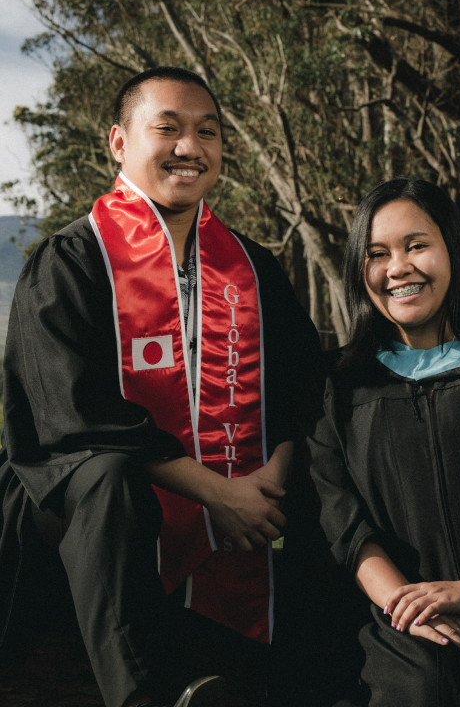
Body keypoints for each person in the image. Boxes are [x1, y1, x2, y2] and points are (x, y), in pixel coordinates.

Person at [0, 67, 321, 707]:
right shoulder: (71, 259)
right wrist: (216, 493)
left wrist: (266, 484)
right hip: (73, 504)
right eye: (167, 128)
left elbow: (300, 390)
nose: (190, 147)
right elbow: (71, 418)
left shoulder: (252, 267)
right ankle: (142, 694)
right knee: (110, 475)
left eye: (208, 131)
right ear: (119, 142)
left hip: (239, 491)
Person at [307, 178, 460, 706]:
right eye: (377, 254)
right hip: (392, 638)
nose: (397, 268)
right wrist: (406, 606)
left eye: (417, 245)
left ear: (452, 248)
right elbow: (337, 511)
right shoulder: (339, 388)